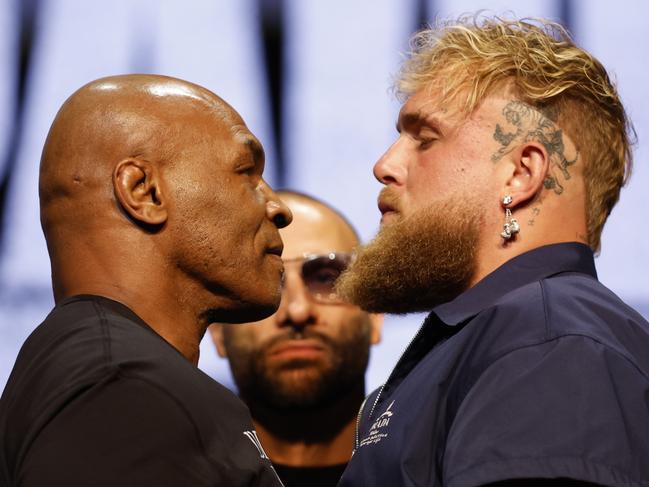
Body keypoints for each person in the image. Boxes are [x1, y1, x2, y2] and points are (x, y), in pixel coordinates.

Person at [335, 15, 649, 486]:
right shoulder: (512, 339)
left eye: (424, 138)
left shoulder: (548, 347)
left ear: (521, 174)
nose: (385, 165)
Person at [0, 74, 292, 486]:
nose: (279, 207)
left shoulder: (101, 375)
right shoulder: (122, 391)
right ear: (144, 192)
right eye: (246, 172)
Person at [210, 191, 382, 487]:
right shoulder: (166, 473)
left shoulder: (438, 465)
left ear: (374, 316)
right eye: (262, 282)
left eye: (326, 278)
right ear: (217, 333)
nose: (297, 310)